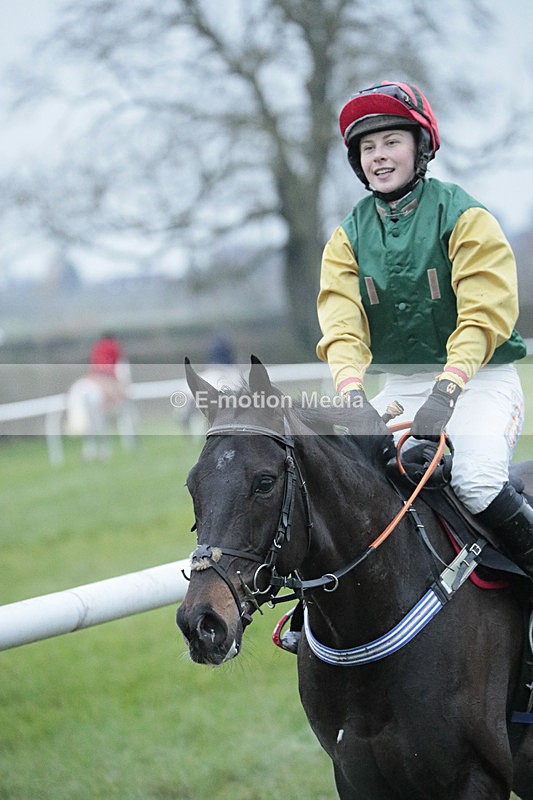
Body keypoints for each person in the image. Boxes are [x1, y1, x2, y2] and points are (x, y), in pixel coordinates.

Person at [316, 80, 533, 581]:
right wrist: (351, 395)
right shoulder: (346, 238)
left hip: (480, 381)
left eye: (391, 142)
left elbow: (484, 314)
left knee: (477, 482)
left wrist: (449, 389)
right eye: (367, 148)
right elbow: (342, 326)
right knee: (352, 483)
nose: (379, 156)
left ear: (421, 146)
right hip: (404, 388)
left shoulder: (466, 216)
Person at [88, 332, 130, 404]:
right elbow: (120, 362)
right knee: (118, 395)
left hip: (96, 374)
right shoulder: (114, 345)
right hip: (108, 374)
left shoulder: (96, 347)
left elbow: (92, 363)